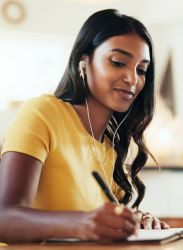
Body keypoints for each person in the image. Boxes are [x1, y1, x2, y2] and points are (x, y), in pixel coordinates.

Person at [0, 9, 169, 243]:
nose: (132, 79)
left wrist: (134, 220)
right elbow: (4, 217)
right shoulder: (42, 113)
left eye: (141, 70)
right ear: (84, 61)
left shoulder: (110, 146)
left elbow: (101, 223)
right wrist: (83, 223)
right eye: (118, 62)